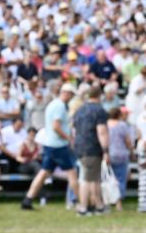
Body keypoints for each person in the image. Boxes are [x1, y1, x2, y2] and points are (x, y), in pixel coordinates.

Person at [22, 83, 78, 210]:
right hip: (58, 145)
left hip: (50, 144)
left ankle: (28, 199)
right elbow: (56, 126)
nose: (72, 98)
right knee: (72, 173)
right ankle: (82, 202)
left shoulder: (53, 104)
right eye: (71, 95)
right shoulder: (59, 106)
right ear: (66, 93)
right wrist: (68, 138)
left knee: (43, 173)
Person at [72, 85, 110, 216]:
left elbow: (74, 130)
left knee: (94, 178)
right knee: (87, 179)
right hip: (92, 147)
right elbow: (102, 132)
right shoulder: (99, 111)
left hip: (80, 147)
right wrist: (106, 150)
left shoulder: (80, 110)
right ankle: (83, 207)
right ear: (99, 96)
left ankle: (98, 205)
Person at [106, 108, 134, 210]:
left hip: (108, 154)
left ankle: (108, 201)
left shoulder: (105, 124)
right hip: (121, 154)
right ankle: (118, 203)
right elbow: (128, 141)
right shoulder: (122, 125)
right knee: (121, 179)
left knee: (108, 179)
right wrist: (132, 152)